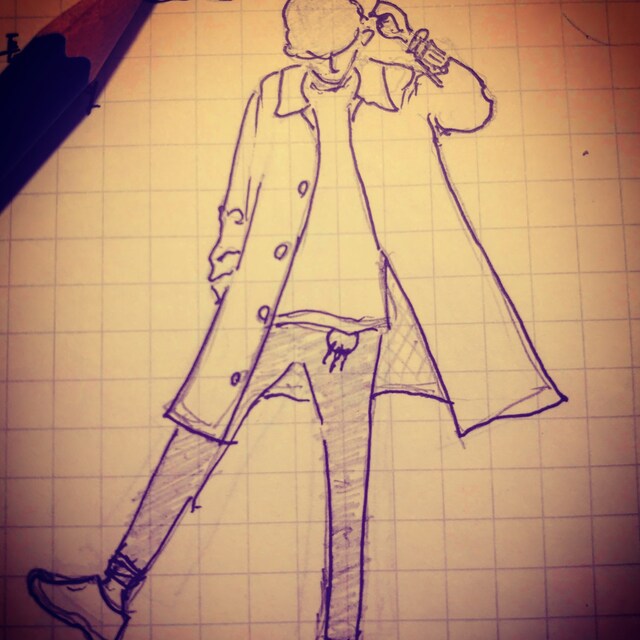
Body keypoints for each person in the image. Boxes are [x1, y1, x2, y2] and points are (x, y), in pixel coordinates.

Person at [27, 2, 567, 639]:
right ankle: (113, 590)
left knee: (347, 486)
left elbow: (471, 108)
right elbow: (244, 187)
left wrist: (416, 46)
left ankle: (339, 631)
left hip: (354, 330)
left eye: (335, 49)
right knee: (197, 433)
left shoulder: (397, 87)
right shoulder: (274, 94)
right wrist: (228, 268)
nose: (326, 63)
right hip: (268, 312)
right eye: (311, 51)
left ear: (358, 36)